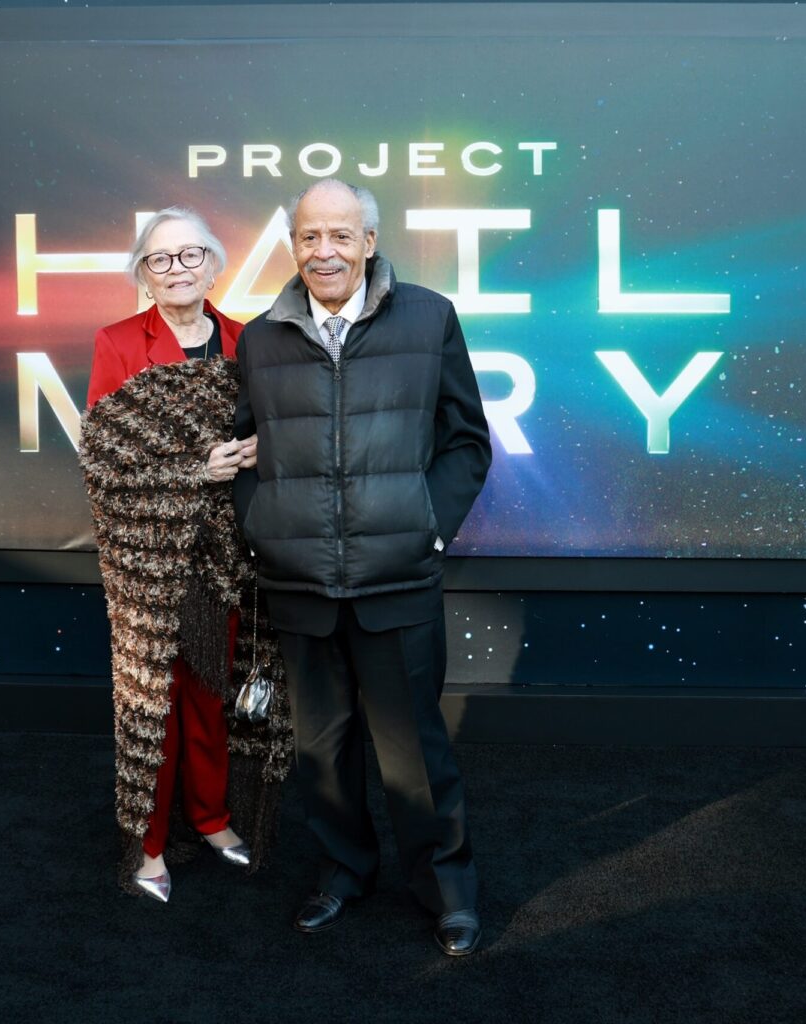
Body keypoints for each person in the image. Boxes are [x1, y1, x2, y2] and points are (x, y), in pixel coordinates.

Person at [232, 179, 492, 955]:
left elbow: (467, 441)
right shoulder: (260, 338)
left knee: (415, 752)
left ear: (370, 243)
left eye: (341, 235)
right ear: (294, 248)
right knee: (322, 752)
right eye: (310, 237)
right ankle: (343, 874)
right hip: (300, 585)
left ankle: (447, 889)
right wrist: (261, 526)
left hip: (397, 580)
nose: (325, 251)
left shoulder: (429, 318)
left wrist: (427, 528)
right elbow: (248, 451)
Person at [80, 206, 289, 903]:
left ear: (214, 262)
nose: (178, 269)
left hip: (224, 556)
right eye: (161, 258)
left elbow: (276, 429)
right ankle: (146, 845)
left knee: (211, 694)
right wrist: (191, 471)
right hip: (150, 560)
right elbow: (107, 462)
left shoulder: (246, 340)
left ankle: (212, 818)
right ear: (142, 271)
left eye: (191, 254)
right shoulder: (116, 342)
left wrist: (261, 449)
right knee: (151, 705)